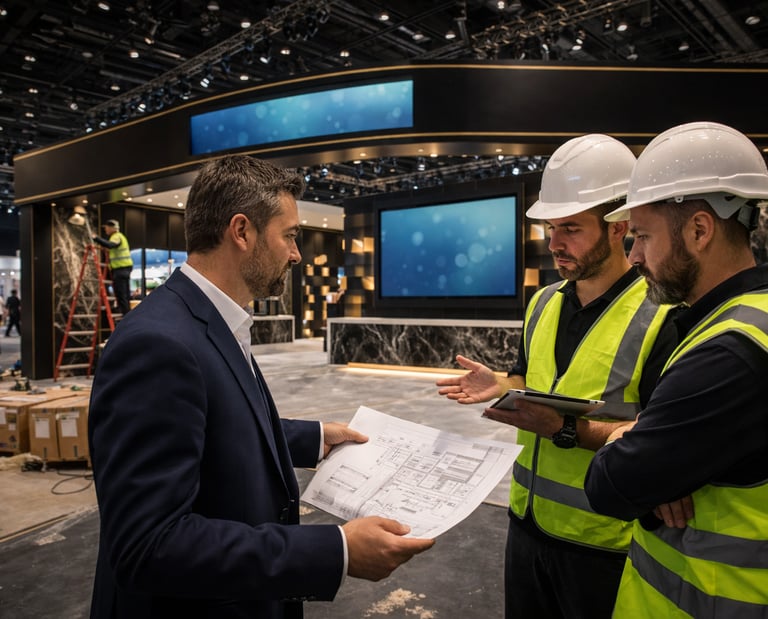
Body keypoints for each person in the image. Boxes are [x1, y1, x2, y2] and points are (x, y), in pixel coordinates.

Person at [87, 155, 434, 619]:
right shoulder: (157, 344)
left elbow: (210, 420)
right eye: (289, 235)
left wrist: (310, 438)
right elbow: (149, 544)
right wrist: (336, 550)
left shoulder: (207, 320)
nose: (296, 253)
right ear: (242, 231)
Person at [436, 134, 680, 618]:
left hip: (604, 541)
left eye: (571, 228)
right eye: (551, 228)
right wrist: (502, 386)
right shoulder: (543, 302)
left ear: (619, 228)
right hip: (526, 525)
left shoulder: (664, 315)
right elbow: (530, 380)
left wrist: (564, 428)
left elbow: (663, 441)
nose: (554, 244)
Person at [584, 121, 768, 617]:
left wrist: (626, 435)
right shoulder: (755, 317)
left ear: (700, 230)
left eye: (642, 235)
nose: (635, 255)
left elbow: (610, 485)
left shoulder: (727, 354)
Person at [92, 219, 133, 316]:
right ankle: (126, 313)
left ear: (111, 228)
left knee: (121, 294)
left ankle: (125, 315)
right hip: (122, 268)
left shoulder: (116, 236)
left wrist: (96, 238)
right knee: (124, 294)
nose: (105, 229)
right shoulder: (119, 236)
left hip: (121, 268)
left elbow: (111, 245)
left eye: (106, 227)